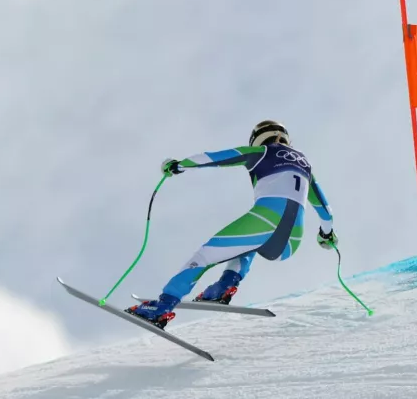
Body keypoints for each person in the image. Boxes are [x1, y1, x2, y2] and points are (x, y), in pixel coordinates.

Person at [125, 120, 338, 329]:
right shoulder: (306, 166)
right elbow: (325, 211)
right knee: (248, 246)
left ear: (258, 138)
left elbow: (215, 158)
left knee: (204, 257)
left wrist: (179, 165)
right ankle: (224, 287)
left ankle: (162, 306)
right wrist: (326, 234)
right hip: (291, 242)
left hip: (265, 222)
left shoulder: (263, 151)